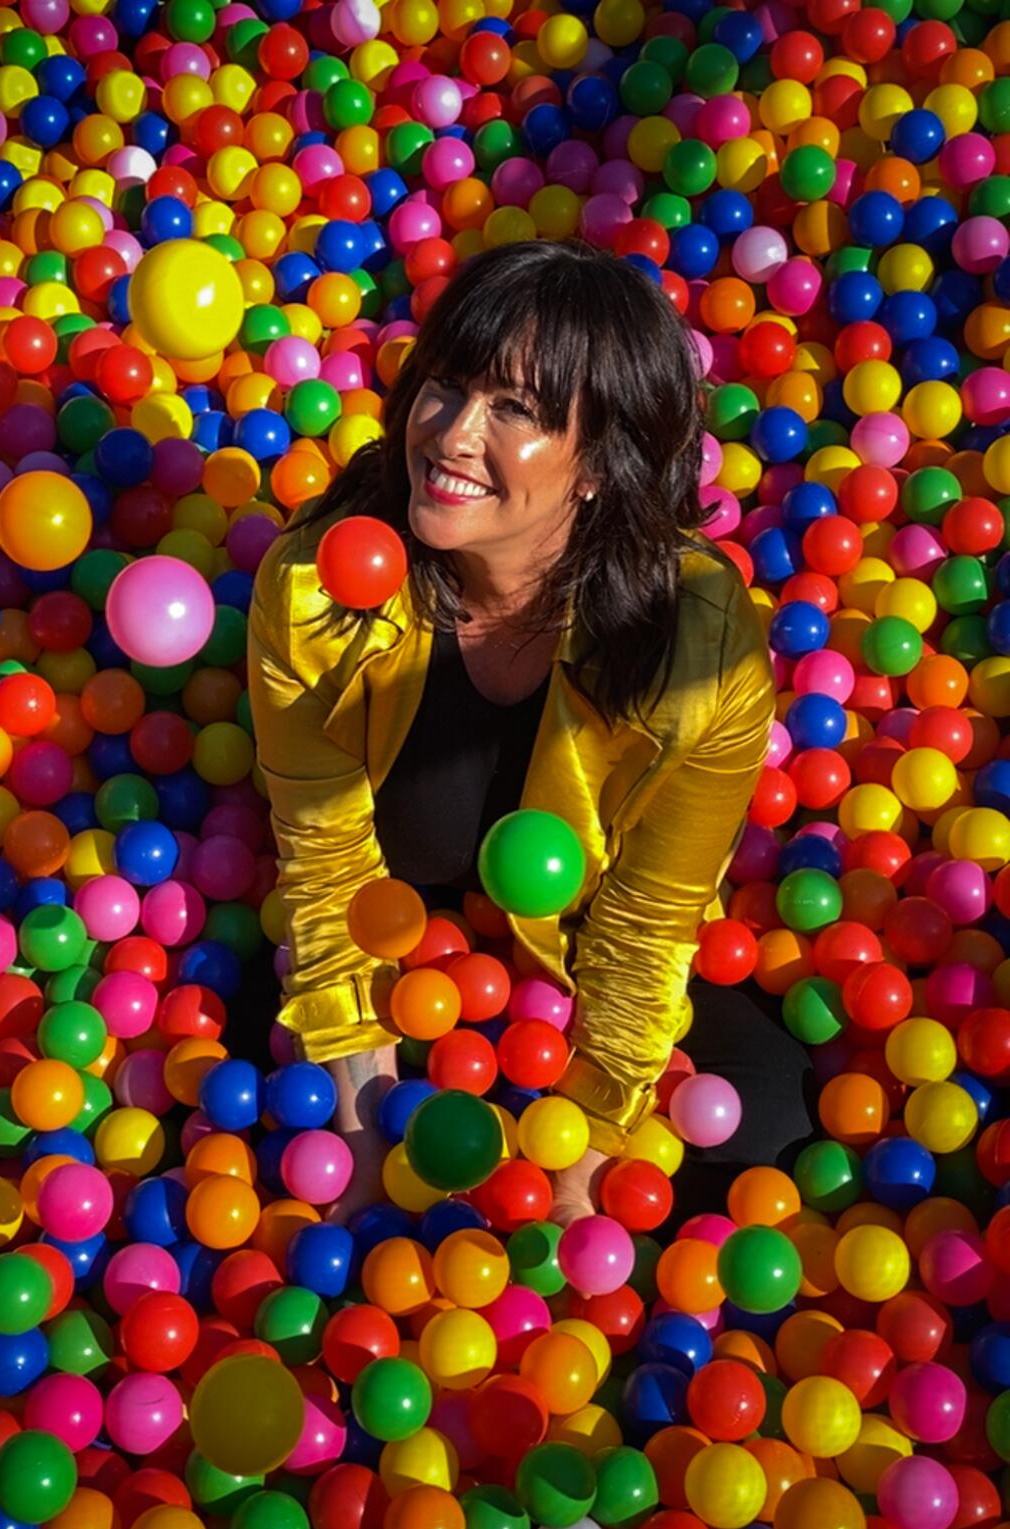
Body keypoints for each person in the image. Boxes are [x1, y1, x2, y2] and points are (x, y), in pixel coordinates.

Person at [245, 238, 815, 1224]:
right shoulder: (317, 592)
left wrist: (584, 1163)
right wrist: (360, 1142)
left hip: (576, 966)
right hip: (399, 967)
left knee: (771, 1121)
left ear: (598, 466)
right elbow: (326, 869)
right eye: (447, 386)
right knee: (255, 1122)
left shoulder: (699, 648)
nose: (454, 433)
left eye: (516, 410)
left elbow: (646, 922)